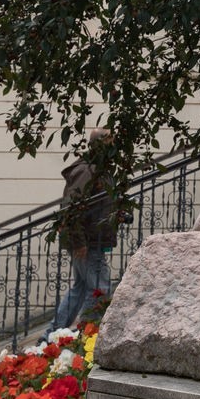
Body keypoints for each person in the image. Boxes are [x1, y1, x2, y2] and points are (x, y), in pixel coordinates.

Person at [51, 128, 122, 330]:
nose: (114, 149)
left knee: (81, 289)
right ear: (100, 146)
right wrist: (79, 242)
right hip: (88, 241)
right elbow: (70, 208)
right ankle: (87, 334)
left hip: (90, 240)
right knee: (100, 289)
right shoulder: (88, 170)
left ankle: (52, 334)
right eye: (110, 144)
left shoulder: (97, 170)